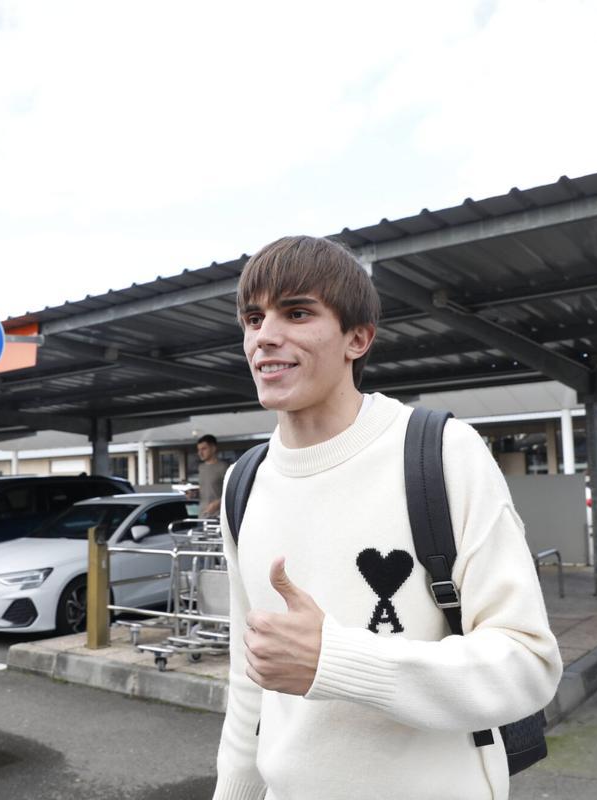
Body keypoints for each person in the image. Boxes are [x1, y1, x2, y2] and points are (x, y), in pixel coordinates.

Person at [212, 235, 561, 800]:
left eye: (296, 312)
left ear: (358, 338)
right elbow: (246, 678)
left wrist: (337, 660)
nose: (264, 336)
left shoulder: (442, 451)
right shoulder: (243, 482)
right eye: (253, 318)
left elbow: (527, 663)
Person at [196, 434, 227, 518]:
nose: (200, 453)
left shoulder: (224, 467)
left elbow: (232, 492)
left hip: (218, 517)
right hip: (202, 516)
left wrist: (218, 503)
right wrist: (193, 494)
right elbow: (205, 491)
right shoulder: (201, 468)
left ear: (213, 448)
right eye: (198, 450)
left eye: (203, 449)